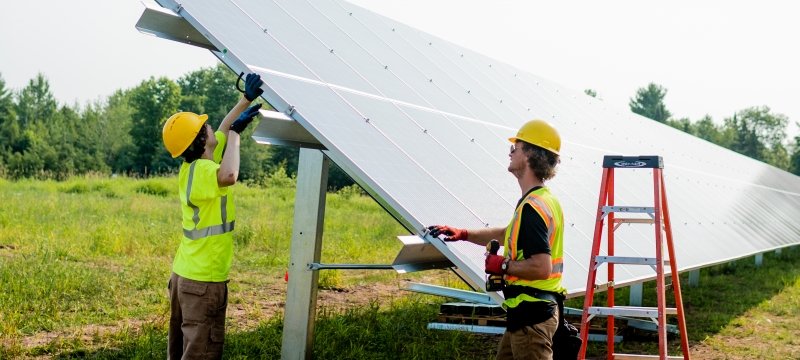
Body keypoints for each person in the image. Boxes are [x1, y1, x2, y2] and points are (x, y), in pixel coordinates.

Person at [428, 119, 566, 360]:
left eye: (517, 147)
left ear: (530, 154)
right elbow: (506, 234)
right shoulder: (541, 200)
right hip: (525, 313)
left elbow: (542, 267)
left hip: (531, 317)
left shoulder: (533, 207)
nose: (511, 152)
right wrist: (463, 234)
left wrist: (502, 266)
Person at [161, 73, 264, 359]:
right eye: (203, 127)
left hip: (187, 276)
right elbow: (229, 175)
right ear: (200, 140)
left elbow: (222, 127)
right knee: (201, 351)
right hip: (202, 282)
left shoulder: (195, 167)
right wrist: (236, 137)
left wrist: (246, 99)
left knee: (182, 347)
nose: (209, 127)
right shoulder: (205, 172)